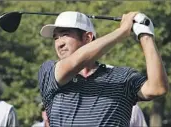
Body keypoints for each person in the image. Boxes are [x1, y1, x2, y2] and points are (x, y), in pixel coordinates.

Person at [38, 11, 169, 126]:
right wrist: (122, 31)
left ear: (88, 38)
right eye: (55, 38)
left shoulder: (123, 77)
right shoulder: (48, 71)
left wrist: (145, 35)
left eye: (65, 34)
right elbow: (72, 64)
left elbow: (157, 88)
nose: (59, 43)